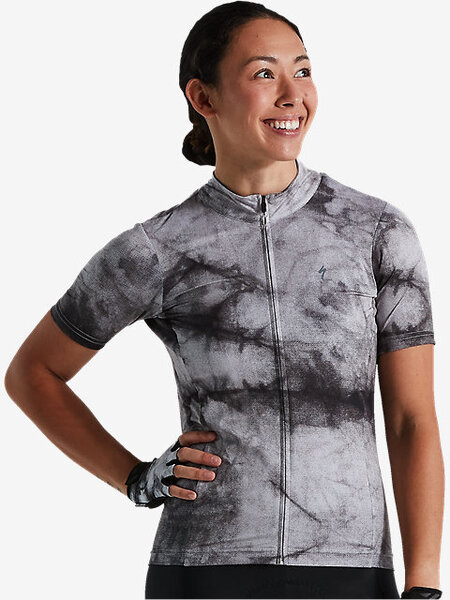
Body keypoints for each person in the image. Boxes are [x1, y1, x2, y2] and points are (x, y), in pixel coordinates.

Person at [4, 2, 444, 599]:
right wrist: (135, 478)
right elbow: (32, 373)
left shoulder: (376, 232)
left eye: (303, 70)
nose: (293, 95)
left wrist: (423, 584)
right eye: (264, 73)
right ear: (203, 97)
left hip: (351, 567)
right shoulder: (157, 248)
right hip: (204, 565)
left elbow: (412, 420)